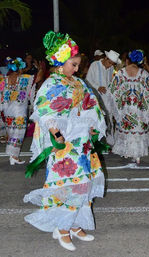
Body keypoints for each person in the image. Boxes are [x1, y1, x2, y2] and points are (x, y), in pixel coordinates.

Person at [23, 31, 106, 251]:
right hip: (66, 143)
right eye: (73, 64)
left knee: (84, 183)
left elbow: (91, 104)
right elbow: (43, 109)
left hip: (82, 141)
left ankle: (76, 223)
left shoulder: (77, 82)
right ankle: (62, 227)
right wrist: (56, 132)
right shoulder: (52, 84)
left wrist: (93, 126)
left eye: (78, 64)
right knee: (71, 184)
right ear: (60, 62)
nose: (77, 69)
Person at [108, 50, 149, 164]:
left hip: (125, 108)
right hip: (139, 109)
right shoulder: (143, 74)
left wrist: (119, 102)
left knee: (126, 129)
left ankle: (127, 152)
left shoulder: (120, 73)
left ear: (127, 60)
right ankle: (137, 155)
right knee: (137, 129)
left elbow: (112, 91)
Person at [1, 57, 35, 164]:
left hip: (8, 111)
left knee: (11, 132)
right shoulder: (26, 78)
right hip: (19, 111)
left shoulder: (4, 79)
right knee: (18, 133)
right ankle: (13, 156)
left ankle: (13, 156)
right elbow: (35, 82)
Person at [86, 49, 121, 145]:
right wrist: (98, 87)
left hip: (107, 97)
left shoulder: (110, 69)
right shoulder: (95, 65)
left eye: (112, 64)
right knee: (96, 119)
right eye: (109, 63)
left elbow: (110, 82)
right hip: (96, 97)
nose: (110, 66)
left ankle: (109, 141)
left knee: (109, 119)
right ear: (105, 58)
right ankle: (96, 142)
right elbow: (88, 80)